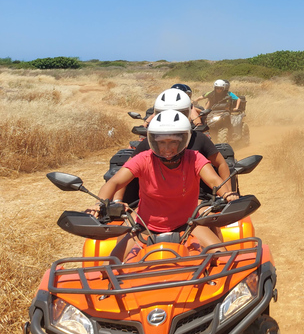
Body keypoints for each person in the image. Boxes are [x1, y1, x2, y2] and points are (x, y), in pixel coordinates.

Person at [87, 110, 239, 261]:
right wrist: (99, 203)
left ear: (183, 140)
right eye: (161, 142)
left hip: (188, 223)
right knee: (109, 269)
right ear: (153, 141)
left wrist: (227, 194)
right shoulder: (143, 159)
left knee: (222, 258)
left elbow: (214, 180)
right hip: (145, 227)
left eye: (173, 142)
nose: (167, 148)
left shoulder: (194, 158)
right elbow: (115, 181)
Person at [119, 89, 234, 204]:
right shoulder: (149, 144)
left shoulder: (198, 142)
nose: (172, 117)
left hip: (196, 200)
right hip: (156, 200)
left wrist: (227, 193)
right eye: (163, 113)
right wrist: (117, 201)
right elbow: (124, 173)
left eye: (179, 113)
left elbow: (220, 164)